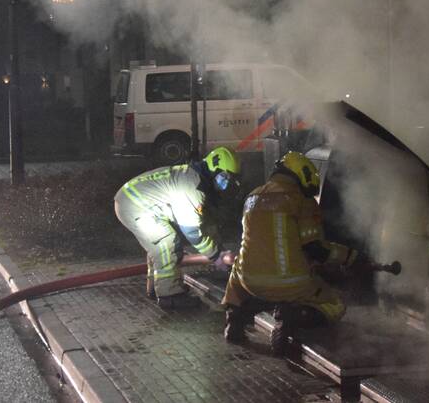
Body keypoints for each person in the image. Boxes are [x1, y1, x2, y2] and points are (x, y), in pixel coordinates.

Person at [222, 151, 362, 342]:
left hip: (249, 281)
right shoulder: (301, 200)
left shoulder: (252, 197)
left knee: (238, 267)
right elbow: (315, 249)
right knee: (335, 305)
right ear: (302, 174)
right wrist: (352, 257)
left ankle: (235, 318)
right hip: (290, 283)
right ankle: (292, 316)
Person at [114, 146, 240, 309]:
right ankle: (171, 297)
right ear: (214, 170)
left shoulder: (195, 177)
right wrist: (216, 255)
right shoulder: (193, 188)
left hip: (131, 200)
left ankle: (156, 288)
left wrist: (219, 251)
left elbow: (205, 223)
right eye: (225, 177)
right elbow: (193, 232)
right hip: (135, 206)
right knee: (166, 243)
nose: (227, 183)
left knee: (158, 248)